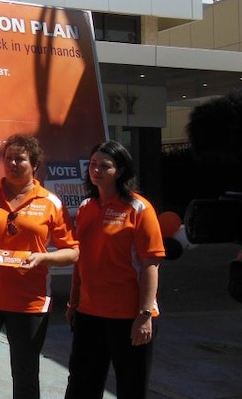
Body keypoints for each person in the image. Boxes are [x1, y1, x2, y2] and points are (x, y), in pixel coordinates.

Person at [0, 134, 78, 399]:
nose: (12, 163)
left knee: (25, 372)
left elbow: (72, 252)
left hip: (29, 302)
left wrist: (44, 258)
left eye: (20, 158)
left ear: (34, 164)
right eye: (8, 158)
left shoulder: (50, 203)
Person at [64, 141, 166, 399]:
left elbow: (150, 264)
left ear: (120, 171)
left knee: (131, 387)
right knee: (82, 387)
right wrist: (73, 302)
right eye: (93, 164)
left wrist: (144, 315)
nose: (95, 170)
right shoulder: (86, 207)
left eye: (104, 166)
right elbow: (81, 260)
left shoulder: (139, 208)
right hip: (89, 314)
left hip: (129, 317)